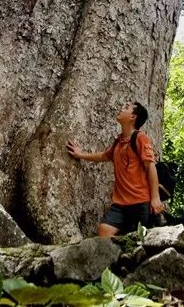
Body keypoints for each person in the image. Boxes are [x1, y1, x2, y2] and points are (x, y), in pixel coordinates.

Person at [66, 101, 165, 236]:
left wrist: (155, 198)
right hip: (120, 204)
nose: (121, 108)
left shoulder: (140, 138)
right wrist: (80, 154)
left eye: (126, 108)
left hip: (140, 202)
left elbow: (150, 168)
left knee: (139, 240)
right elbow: (103, 156)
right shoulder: (119, 141)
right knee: (104, 231)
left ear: (133, 117)